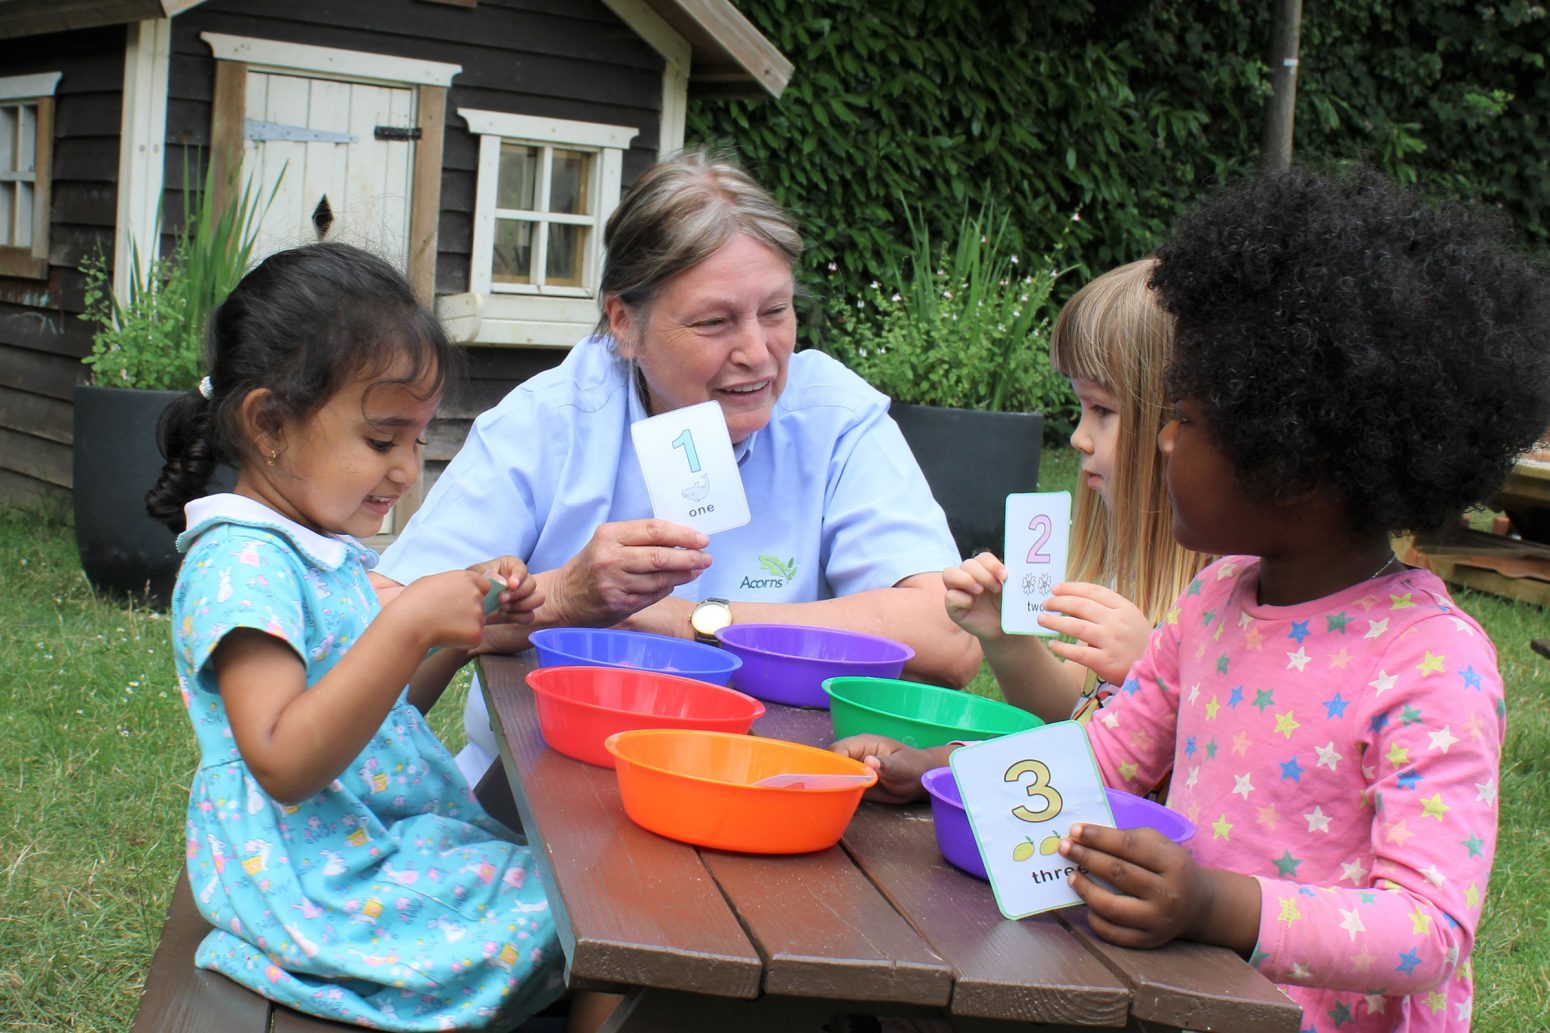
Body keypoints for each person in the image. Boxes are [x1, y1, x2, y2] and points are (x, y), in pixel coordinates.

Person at [835, 166, 1550, 1031]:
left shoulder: (1433, 660)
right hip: (1185, 999)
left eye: (1187, 417)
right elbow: (1102, 760)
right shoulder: (1215, 598)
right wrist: (943, 773)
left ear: (1292, 456)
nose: (1163, 439)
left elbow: (1429, 930)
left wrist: (1220, 906)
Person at [374, 148, 979, 786]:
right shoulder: (550, 423)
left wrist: (693, 622)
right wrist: (565, 596)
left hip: (766, 787)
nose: (758, 353)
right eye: (714, 322)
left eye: (775, 311)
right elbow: (380, 633)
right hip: (544, 793)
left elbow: (951, 636)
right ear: (623, 324)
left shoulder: (832, 417)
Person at [146, 242, 569, 1030]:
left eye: (418, 438)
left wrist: (460, 631)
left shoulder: (310, 544)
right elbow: (281, 758)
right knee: (577, 917)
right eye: (383, 439)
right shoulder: (240, 564)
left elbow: (362, 706)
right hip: (308, 873)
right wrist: (408, 621)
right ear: (269, 422)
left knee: (574, 892)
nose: (409, 468)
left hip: (357, 839)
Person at [942, 259, 1207, 727]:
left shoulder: (1228, 588)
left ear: (1173, 421)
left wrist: (1154, 671)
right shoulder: (1124, 570)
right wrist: (1006, 638)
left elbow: (1236, 747)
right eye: (1080, 406)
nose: (1078, 437)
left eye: (1102, 409)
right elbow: (1071, 713)